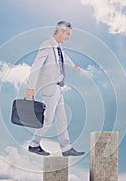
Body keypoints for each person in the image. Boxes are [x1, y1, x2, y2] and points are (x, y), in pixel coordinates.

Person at [25, 21, 85, 157]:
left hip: (57, 87)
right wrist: (30, 88)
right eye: (68, 34)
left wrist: (74, 66)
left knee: (62, 119)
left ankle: (66, 147)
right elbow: (36, 66)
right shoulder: (47, 45)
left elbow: (64, 57)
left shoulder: (57, 47)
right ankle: (34, 144)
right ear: (61, 31)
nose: (69, 37)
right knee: (48, 119)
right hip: (49, 86)